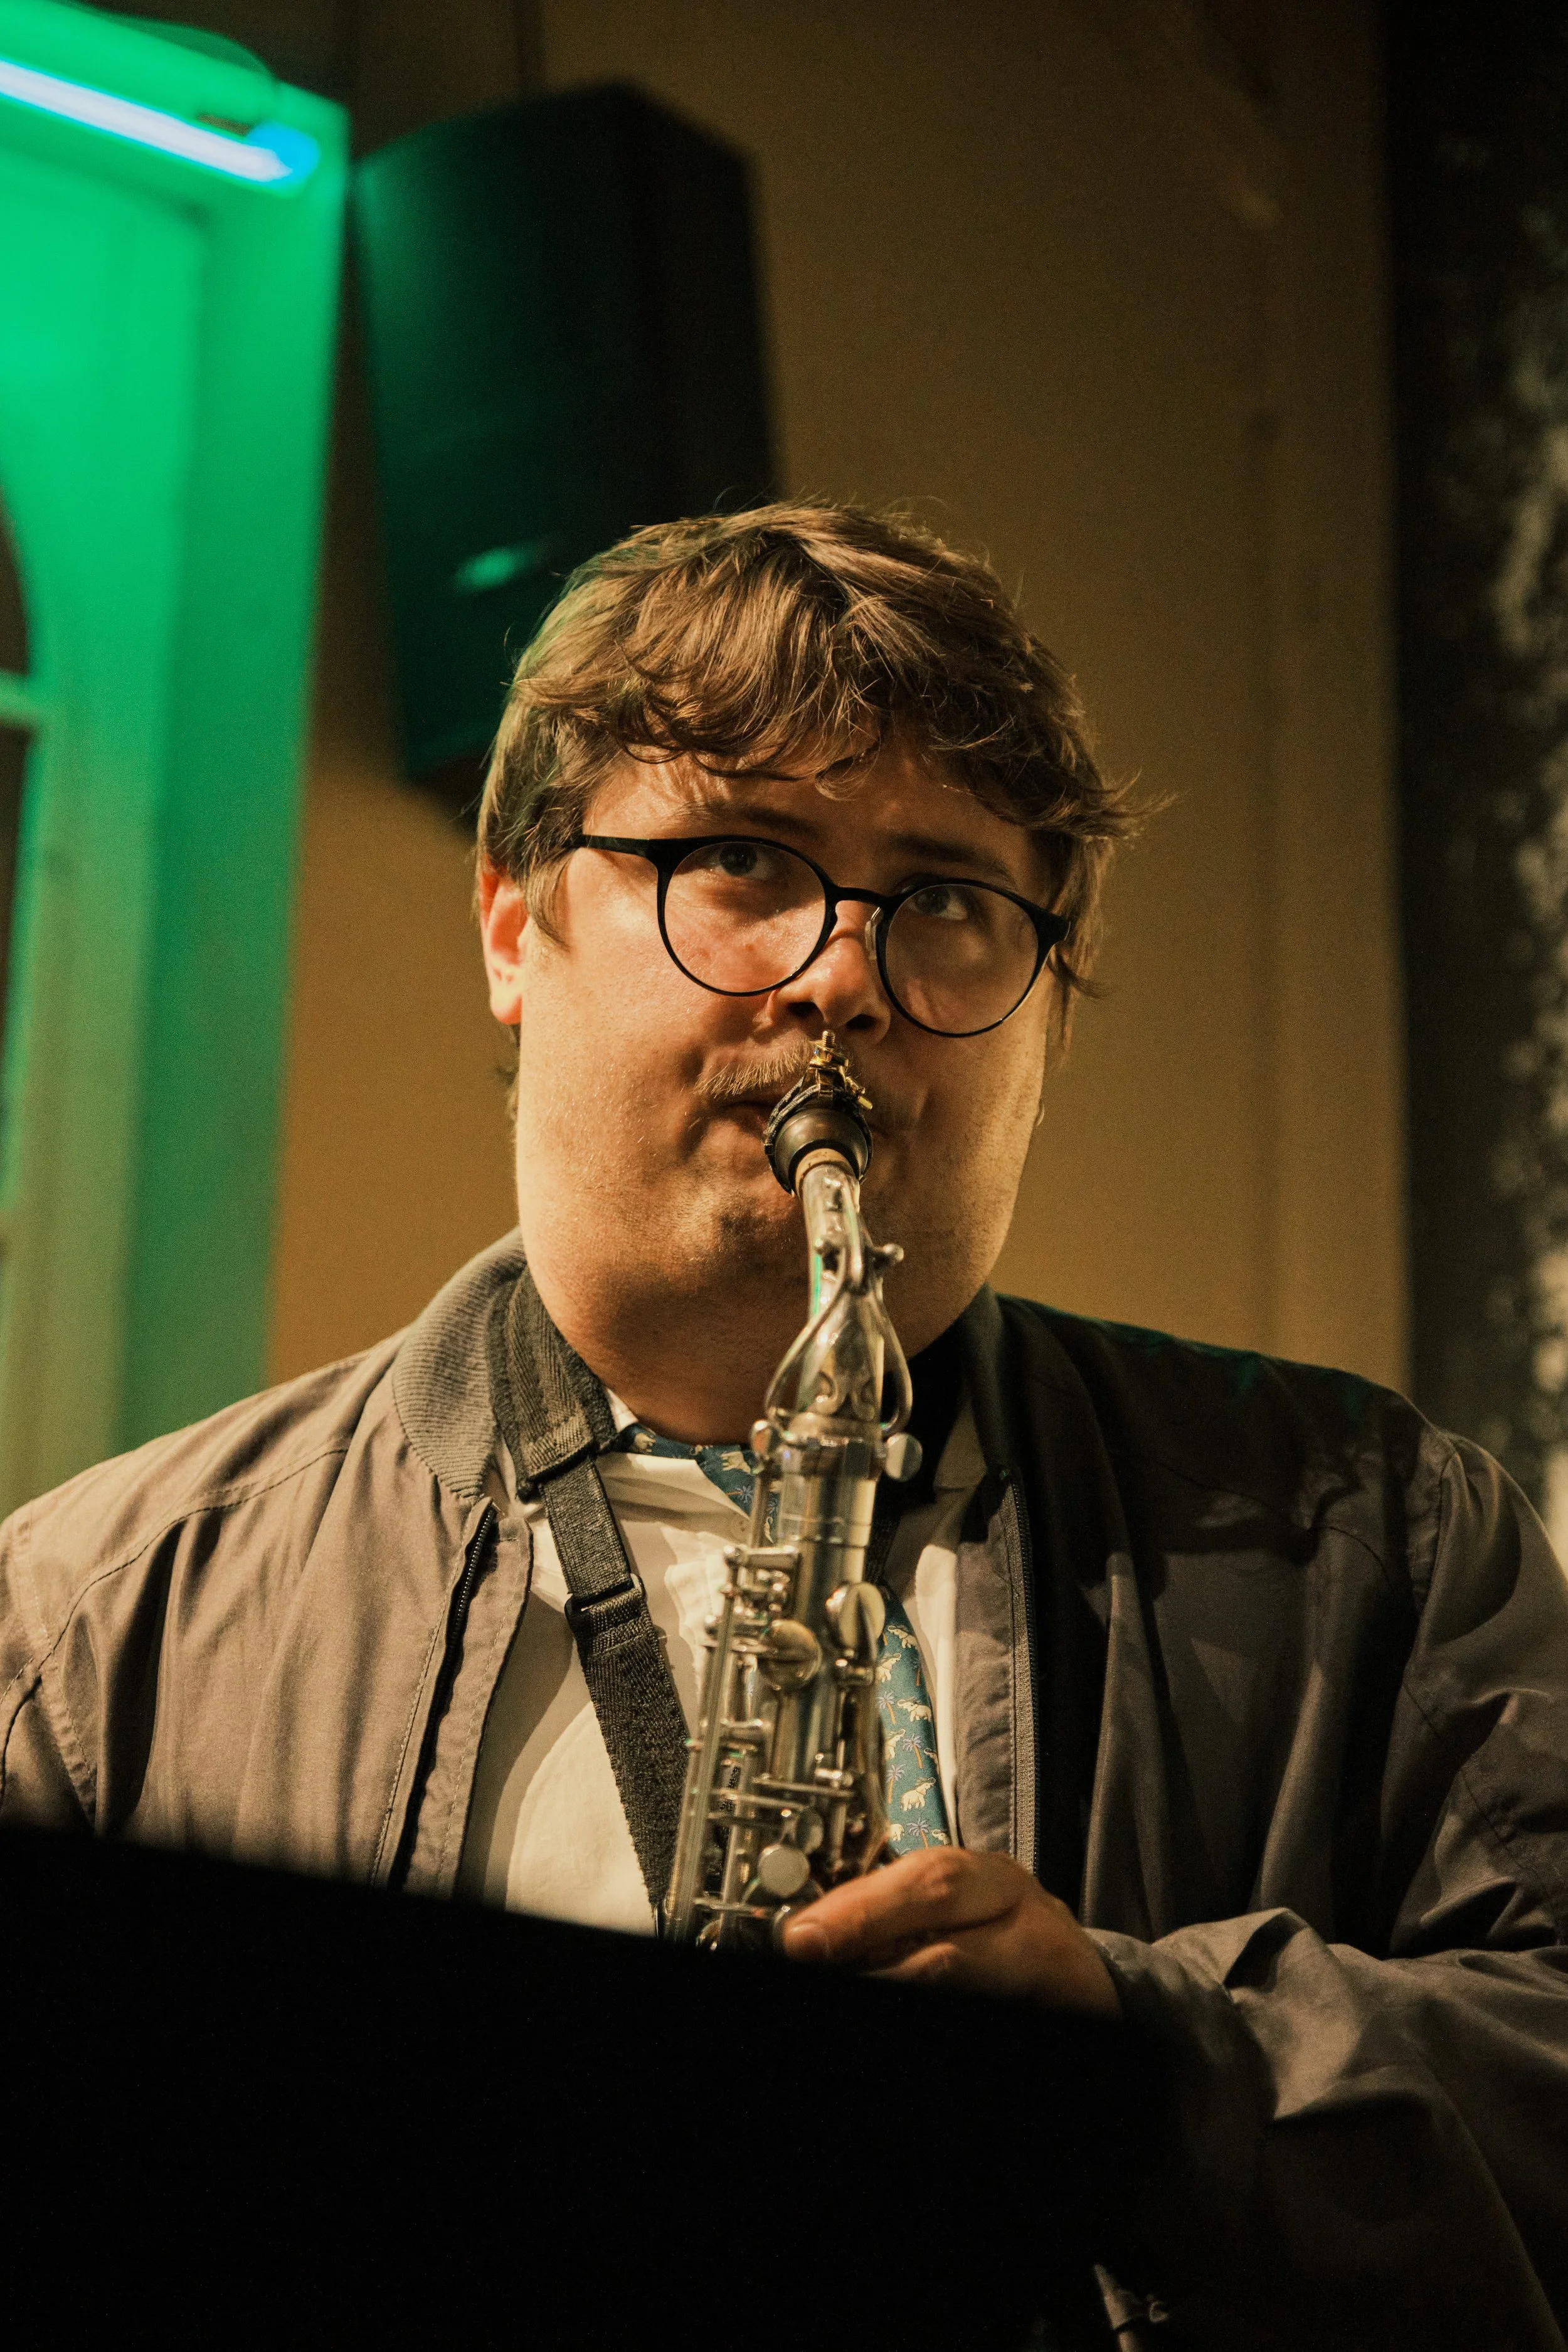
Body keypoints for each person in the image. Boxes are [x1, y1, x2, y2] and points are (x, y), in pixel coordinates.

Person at [3, 502, 1566, 2346]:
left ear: (1043, 1010)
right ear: (514, 922)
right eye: (743, 857)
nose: (840, 976)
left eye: (950, 899)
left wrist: (1145, 2062)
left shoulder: (1373, 1531)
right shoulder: (90, 1620)